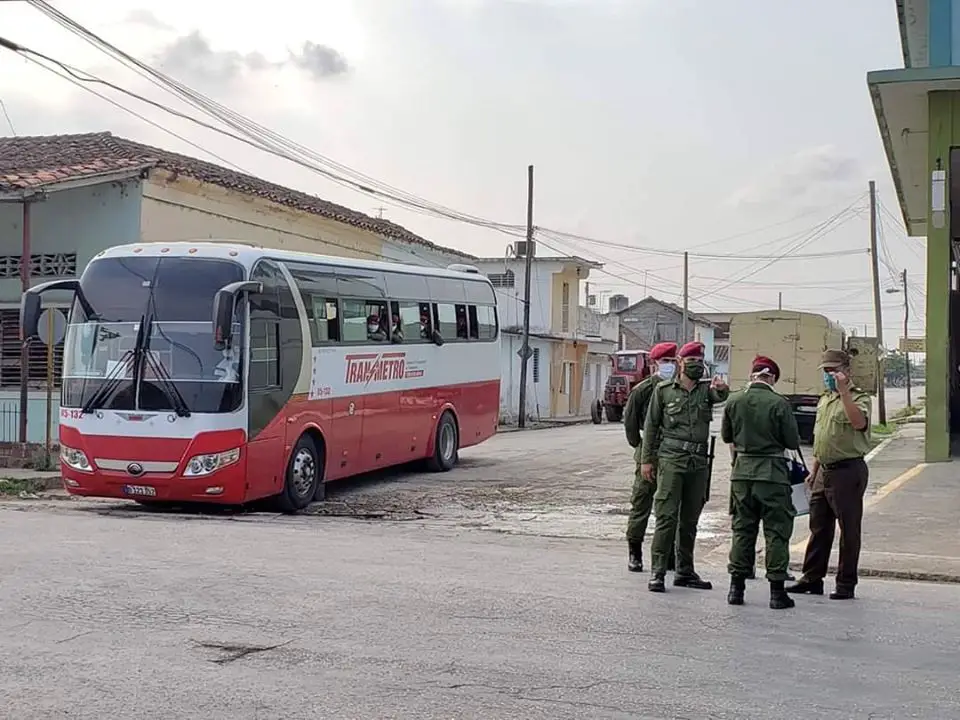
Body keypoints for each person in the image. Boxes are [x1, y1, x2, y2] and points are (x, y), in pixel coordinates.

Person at [641, 340, 729, 593]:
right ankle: (658, 571)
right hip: (671, 460)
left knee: (690, 519)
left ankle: (685, 570)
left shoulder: (704, 391)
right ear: (681, 363)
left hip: (698, 462)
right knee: (666, 516)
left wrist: (722, 388)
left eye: (700, 363)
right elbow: (651, 426)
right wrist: (647, 460)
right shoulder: (664, 391)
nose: (696, 367)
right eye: (692, 362)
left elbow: (720, 395)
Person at [787, 349, 871, 600]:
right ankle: (812, 577)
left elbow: (858, 423)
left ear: (847, 370)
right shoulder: (824, 399)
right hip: (824, 469)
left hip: (848, 470)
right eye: (825, 371)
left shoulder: (859, 397)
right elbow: (821, 438)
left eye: (833, 370)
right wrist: (814, 470)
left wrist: (844, 392)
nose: (829, 375)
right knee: (819, 527)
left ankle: (846, 583)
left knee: (849, 529)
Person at [722, 355, 801, 609]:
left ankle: (736, 589)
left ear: (752, 375)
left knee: (743, 530)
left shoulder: (734, 400)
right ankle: (777, 593)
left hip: (742, 473)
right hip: (772, 474)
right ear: (772, 378)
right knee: (776, 531)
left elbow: (726, 435)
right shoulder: (779, 403)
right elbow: (791, 441)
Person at [623, 341, 679, 573]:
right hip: (649, 453)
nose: (669, 366)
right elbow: (630, 423)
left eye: (672, 362)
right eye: (665, 361)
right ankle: (635, 553)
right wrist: (642, 449)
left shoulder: (678, 388)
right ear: (656, 363)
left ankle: (669, 556)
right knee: (641, 504)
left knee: (670, 507)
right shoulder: (644, 389)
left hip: (672, 454)